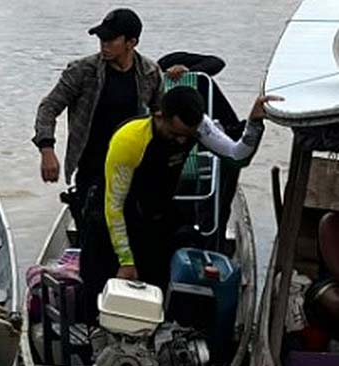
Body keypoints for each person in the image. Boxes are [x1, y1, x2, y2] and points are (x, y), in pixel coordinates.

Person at [96, 86, 280, 293]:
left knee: (160, 286)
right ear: (159, 116)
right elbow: (114, 205)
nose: (182, 141)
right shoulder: (129, 140)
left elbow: (237, 157)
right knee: (108, 289)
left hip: (157, 212)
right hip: (115, 216)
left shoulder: (200, 126)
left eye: (188, 135)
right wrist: (126, 260)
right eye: (175, 134)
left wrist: (254, 123)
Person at [32, 7, 162, 229]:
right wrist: (47, 149)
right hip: (92, 165)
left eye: (111, 40)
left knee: (132, 231)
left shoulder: (150, 73)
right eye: (102, 38)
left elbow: (161, 117)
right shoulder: (82, 71)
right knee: (93, 232)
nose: (104, 44)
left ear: (131, 42)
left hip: (132, 165)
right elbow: (49, 107)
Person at [158, 52, 251, 249]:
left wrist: (188, 72)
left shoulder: (182, 71)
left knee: (213, 206)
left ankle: (211, 250)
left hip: (220, 139)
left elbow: (217, 62)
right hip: (191, 148)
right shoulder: (157, 87)